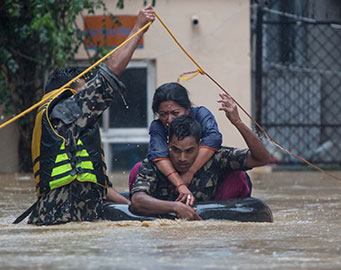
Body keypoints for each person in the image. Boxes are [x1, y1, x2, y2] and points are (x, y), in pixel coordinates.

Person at [17, 6, 155, 225]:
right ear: (68, 91)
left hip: (76, 218)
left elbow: (97, 185)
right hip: (62, 221)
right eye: (84, 89)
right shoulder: (63, 112)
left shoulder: (67, 122)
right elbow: (109, 76)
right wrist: (138, 28)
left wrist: (131, 207)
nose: (88, 93)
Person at [130, 93, 271, 220]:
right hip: (167, 219)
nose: (182, 158)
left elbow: (262, 159)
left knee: (238, 175)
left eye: (189, 151)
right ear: (168, 145)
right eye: (176, 150)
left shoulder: (215, 157)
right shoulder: (155, 164)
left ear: (200, 145)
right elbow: (137, 201)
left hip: (214, 220)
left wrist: (238, 123)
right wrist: (175, 207)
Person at [128, 82, 251, 204]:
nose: (169, 120)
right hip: (174, 177)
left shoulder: (201, 114)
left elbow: (214, 139)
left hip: (204, 171)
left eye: (175, 113)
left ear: (188, 110)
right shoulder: (157, 126)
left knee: (237, 174)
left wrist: (190, 172)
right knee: (137, 169)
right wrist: (180, 183)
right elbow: (157, 154)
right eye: (163, 114)